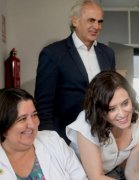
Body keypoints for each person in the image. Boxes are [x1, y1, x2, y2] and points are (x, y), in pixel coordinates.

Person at [34, 0, 115, 143]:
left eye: (100, 22)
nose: (96, 26)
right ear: (75, 21)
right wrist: (49, 141)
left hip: (101, 136)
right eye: (91, 20)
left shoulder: (108, 53)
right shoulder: (53, 54)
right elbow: (44, 105)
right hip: (65, 139)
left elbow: (112, 95)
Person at [66, 71, 139, 180]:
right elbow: (96, 177)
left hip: (109, 174)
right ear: (99, 110)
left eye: (125, 103)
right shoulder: (86, 123)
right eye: (111, 109)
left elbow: (132, 172)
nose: (122, 114)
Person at [0, 88, 87, 180]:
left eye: (34, 115)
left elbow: (80, 177)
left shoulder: (53, 141)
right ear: (4, 125)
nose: (32, 124)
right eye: (22, 119)